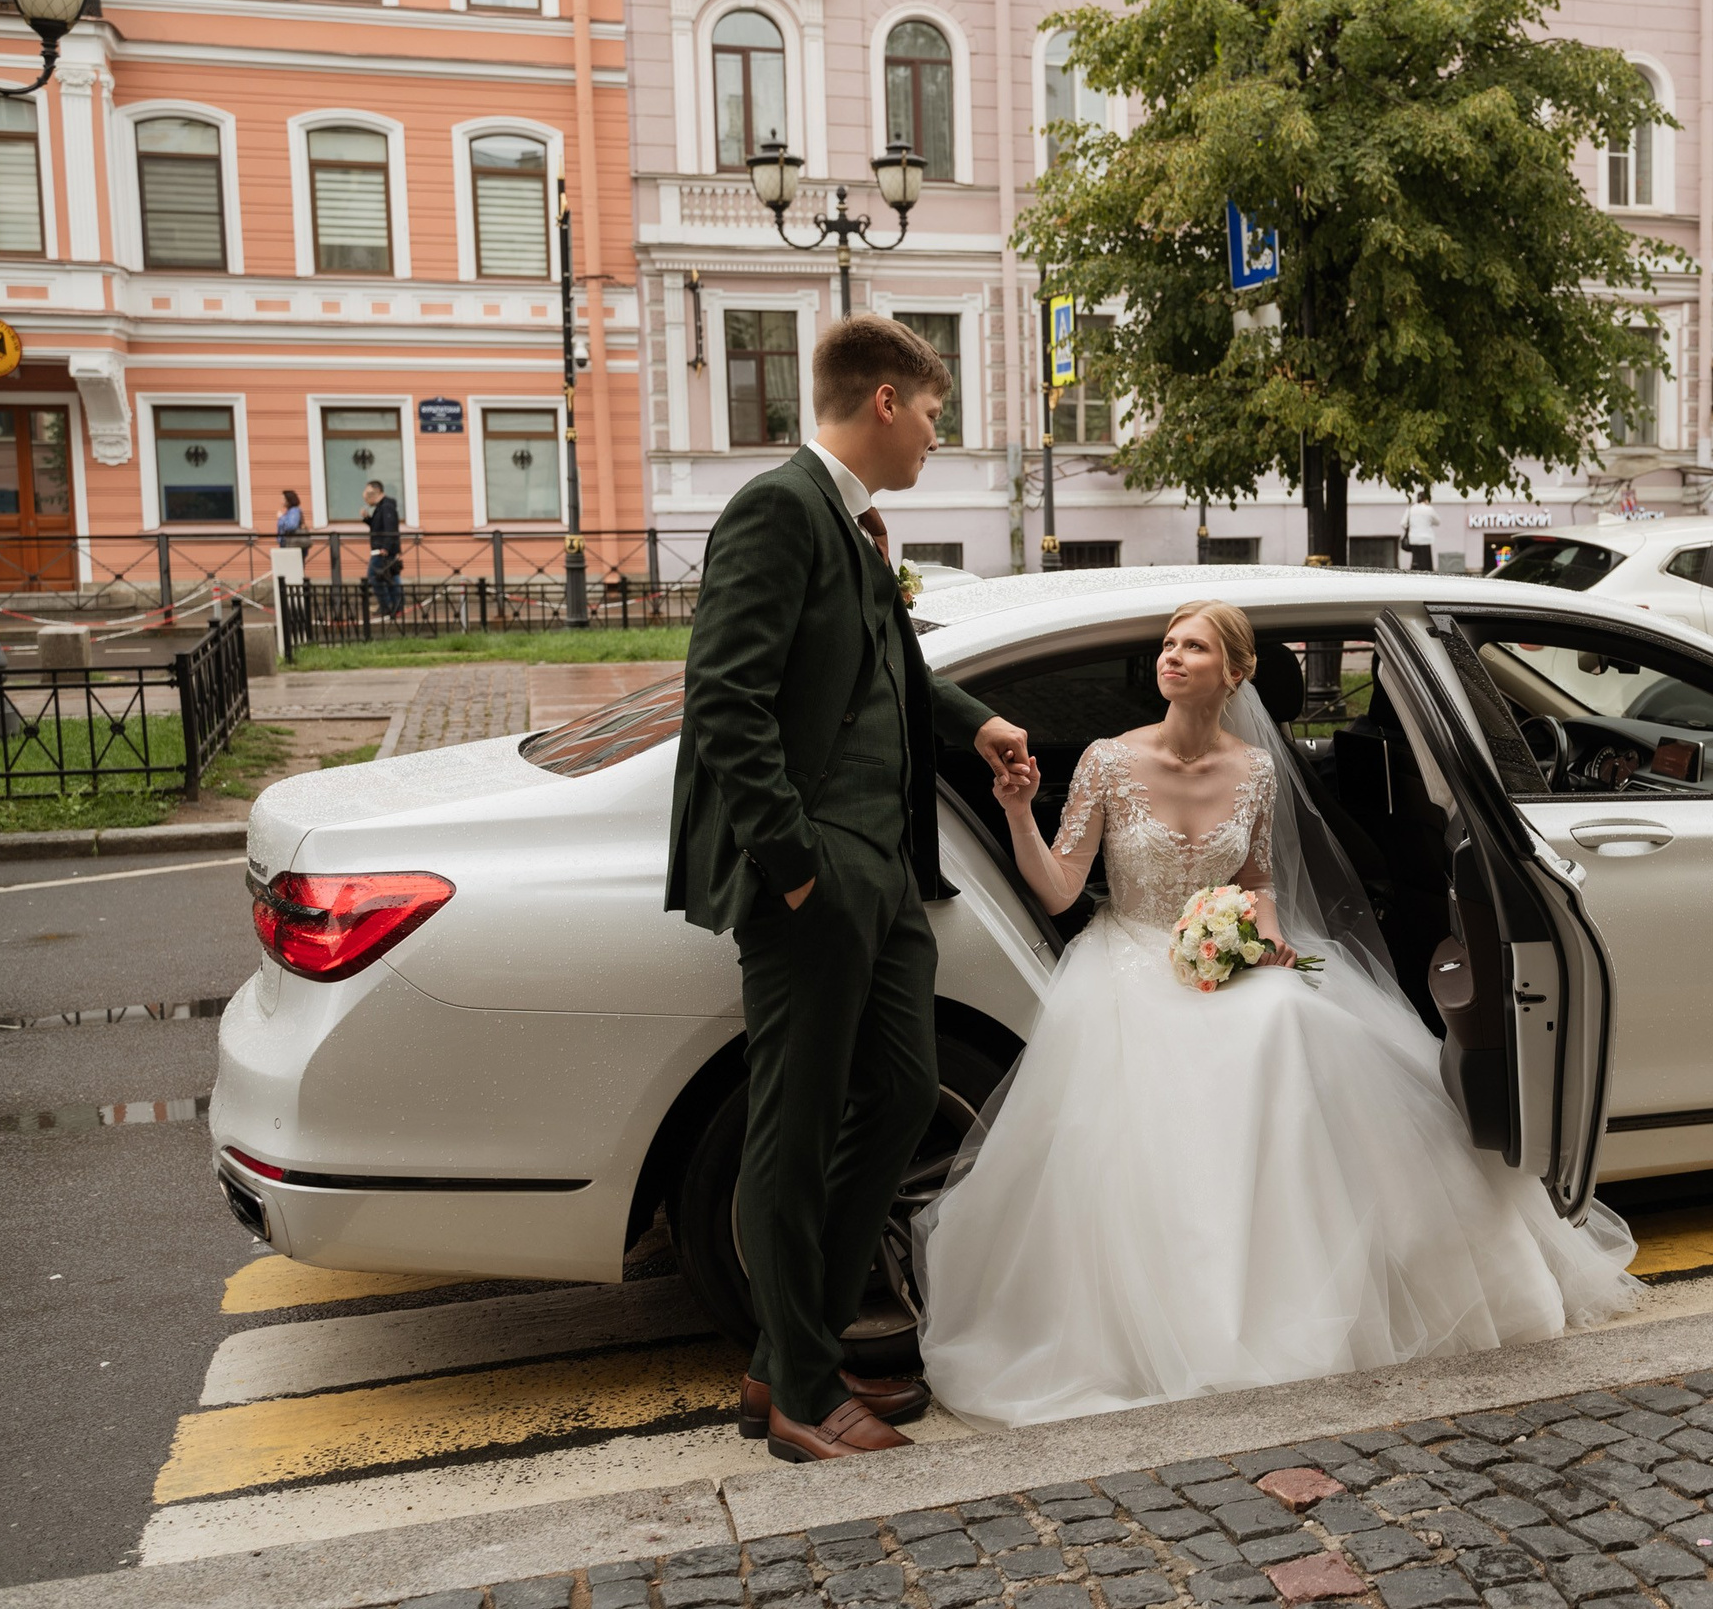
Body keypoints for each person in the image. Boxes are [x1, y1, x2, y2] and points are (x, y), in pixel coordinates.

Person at [914, 600, 1642, 1429]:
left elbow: (1257, 879)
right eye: (1167, 645)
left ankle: (1338, 1283)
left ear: (1235, 672)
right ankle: (1202, 1317)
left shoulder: (1256, 769)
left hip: (1223, 963)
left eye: (1193, 646)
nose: (1173, 657)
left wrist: (1258, 934)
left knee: (1293, 1025)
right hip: (1128, 964)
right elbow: (1058, 889)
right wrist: (1017, 808)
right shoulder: (1105, 762)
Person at [666, 316, 1031, 1463]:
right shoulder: (777, 509)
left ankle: (789, 1347)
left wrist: (980, 730)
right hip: (817, 877)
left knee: (900, 1092)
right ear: (883, 400)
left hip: (889, 873)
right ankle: (803, 1391)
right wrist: (794, 870)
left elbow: (895, 671)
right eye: (932, 413)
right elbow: (723, 701)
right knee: (796, 1120)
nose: (936, 434)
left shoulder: (859, 526)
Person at [359, 480, 403, 617]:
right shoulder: (381, 507)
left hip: (383, 551)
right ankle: (396, 606)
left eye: (368, 492)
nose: (366, 496)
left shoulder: (386, 506)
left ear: (376, 492)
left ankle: (387, 606)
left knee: (374, 577)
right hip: (386, 550)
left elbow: (390, 529)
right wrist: (368, 519)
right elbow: (380, 527)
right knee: (391, 577)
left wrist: (386, 547)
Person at [1400, 490, 1439, 572]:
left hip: (1414, 538)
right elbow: (1437, 521)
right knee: (1426, 562)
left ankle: (1415, 574)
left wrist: (1411, 528)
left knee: (1416, 561)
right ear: (1426, 499)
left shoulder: (1411, 509)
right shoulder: (1429, 509)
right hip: (1426, 539)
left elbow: (1403, 523)